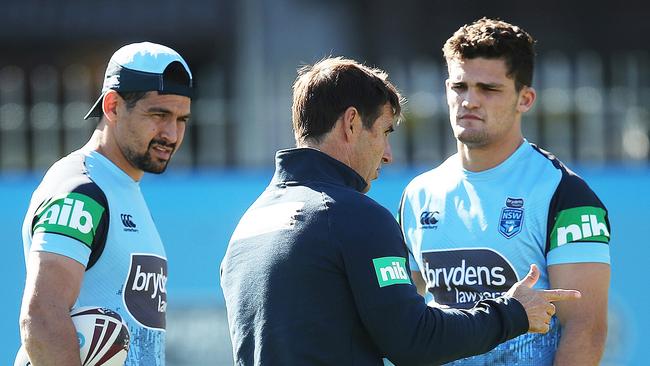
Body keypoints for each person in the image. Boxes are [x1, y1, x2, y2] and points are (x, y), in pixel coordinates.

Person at [220, 56, 580, 365]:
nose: (388, 153)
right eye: (385, 131)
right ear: (351, 123)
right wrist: (513, 313)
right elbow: (415, 340)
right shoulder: (352, 215)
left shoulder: (249, 224)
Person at [399, 18, 610, 366]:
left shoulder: (565, 194)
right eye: (459, 86)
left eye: (489, 89)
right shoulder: (419, 193)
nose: (469, 101)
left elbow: (586, 328)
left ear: (525, 99)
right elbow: (408, 313)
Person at [19, 42, 192, 365]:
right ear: (112, 106)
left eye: (181, 119)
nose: (171, 133)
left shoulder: (122, 188)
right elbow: (42, 316)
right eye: (159, 114)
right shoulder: (81, 190)